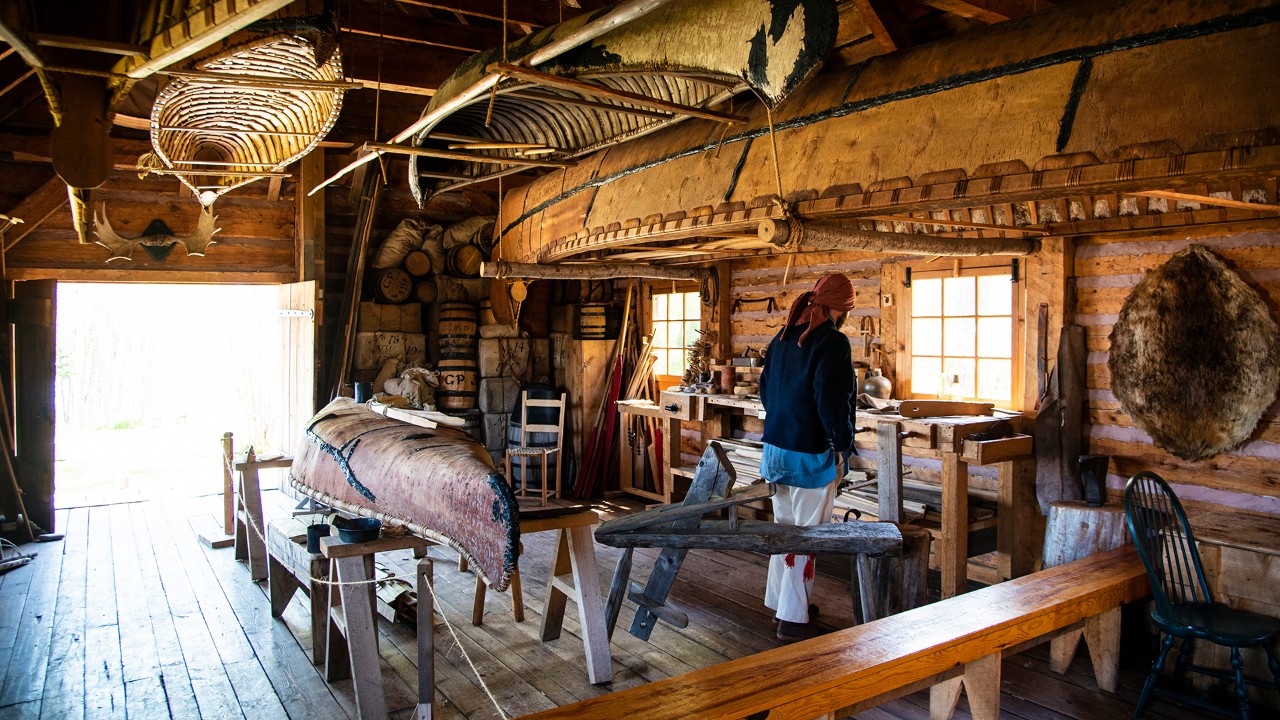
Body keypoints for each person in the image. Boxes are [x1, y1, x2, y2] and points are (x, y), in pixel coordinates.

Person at [758, 273, 857, 642]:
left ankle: (781, 604)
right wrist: (842, 444)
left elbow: (765, 391)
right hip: (810, 453)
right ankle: (793, 619)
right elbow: (832, 401)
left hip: (775, 450)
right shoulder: (832, 342)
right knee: (807, 537)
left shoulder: (783, 337)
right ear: (840, 308)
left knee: (783, 532)